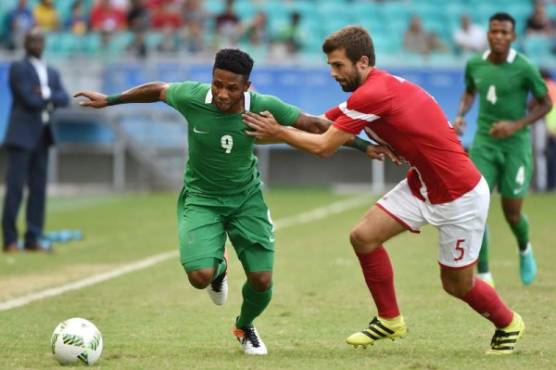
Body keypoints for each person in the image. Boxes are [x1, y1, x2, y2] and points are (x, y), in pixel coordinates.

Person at [74, 48, 392, 355]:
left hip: (246, 200)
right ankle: (219, 268)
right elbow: (158, 90)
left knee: (262, 279)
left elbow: (313, 124)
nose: (223, 94)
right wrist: (110, 100)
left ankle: (244, 326)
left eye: (232, 88)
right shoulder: (192, 97)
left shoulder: (262, 105)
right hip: (201, 199)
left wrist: (364, 148)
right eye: (217, 84)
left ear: (246, 87)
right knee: (200, 277)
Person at [243, 25, 525, 355]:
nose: (333, 73)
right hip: (422, 185)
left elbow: (323, 146)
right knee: (363, 236)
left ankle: (509, 323)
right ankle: (389, 319)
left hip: (459, 194)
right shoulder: (370, 92)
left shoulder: (373, 93)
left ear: (362, 62)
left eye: (338, 65)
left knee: (456, 285)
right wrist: (268, 126)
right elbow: (319, 124)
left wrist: (278, 132)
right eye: (331, 66)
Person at [454, 13, 552, 287]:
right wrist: (461, 114)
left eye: (504, 32)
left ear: (513, 37)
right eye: (494, 31)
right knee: (476, 208)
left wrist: (515, 125)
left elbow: (546, 104)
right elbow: (470, 90)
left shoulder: (525, 67)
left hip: (515, 146)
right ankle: (484, 273)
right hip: (484, 144)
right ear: (487, 34)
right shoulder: (475, 63)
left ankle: (525, 249)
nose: (498, 36)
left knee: (512, 212)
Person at [2, 27, 69, 253]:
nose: (36, 45)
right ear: (25, 44)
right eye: (32, 41)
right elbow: (28, 99)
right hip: (21, 136)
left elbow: (64, 98)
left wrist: (46, 94)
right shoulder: (18, 68)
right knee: (15, 189)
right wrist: (49, 97)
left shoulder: (51, 71)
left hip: (43, 136)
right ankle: (10, 239)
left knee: (39, 189)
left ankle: (33, 238)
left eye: (40, 40)